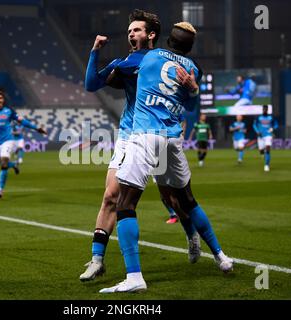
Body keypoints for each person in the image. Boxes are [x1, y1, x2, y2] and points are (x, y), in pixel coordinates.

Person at [100, 21, 233, 294]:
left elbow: (104, 80)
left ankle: (134, 276)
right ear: (189, 46)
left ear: (168, 41)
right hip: (173, 139)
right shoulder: (193, 69)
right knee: (186, 199)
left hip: (145, 135)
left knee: (125, 203)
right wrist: (193, 88)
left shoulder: (149, 56)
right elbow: (191, 103)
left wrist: (103, 59)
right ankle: (221, 257)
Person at [81, 9, 200, 282]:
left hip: (157, 135)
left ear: (151, 34)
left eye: (136, 29)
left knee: (170, 197)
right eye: (129, 30)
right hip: (129, 136)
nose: (131, 33)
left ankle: (191, 233)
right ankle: (97, 259)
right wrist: (94, 52)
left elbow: (186, 98)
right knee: (111, 195)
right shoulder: (126, 62)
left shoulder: (163, 61)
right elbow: (91, 84)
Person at [253, 105, 278, 172]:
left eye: (266, 109)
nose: (265, 110)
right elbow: (254, 125)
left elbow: (276, 124)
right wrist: (257, 131)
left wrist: (272, 128)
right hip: (260, 136)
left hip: (268, 135)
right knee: (261, 150)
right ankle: (262, 153)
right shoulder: (258, 117)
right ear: (262, 110)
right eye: (264, 109)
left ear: (267, 110)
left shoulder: (271, 117)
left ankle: (266, 165)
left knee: (267, 148)